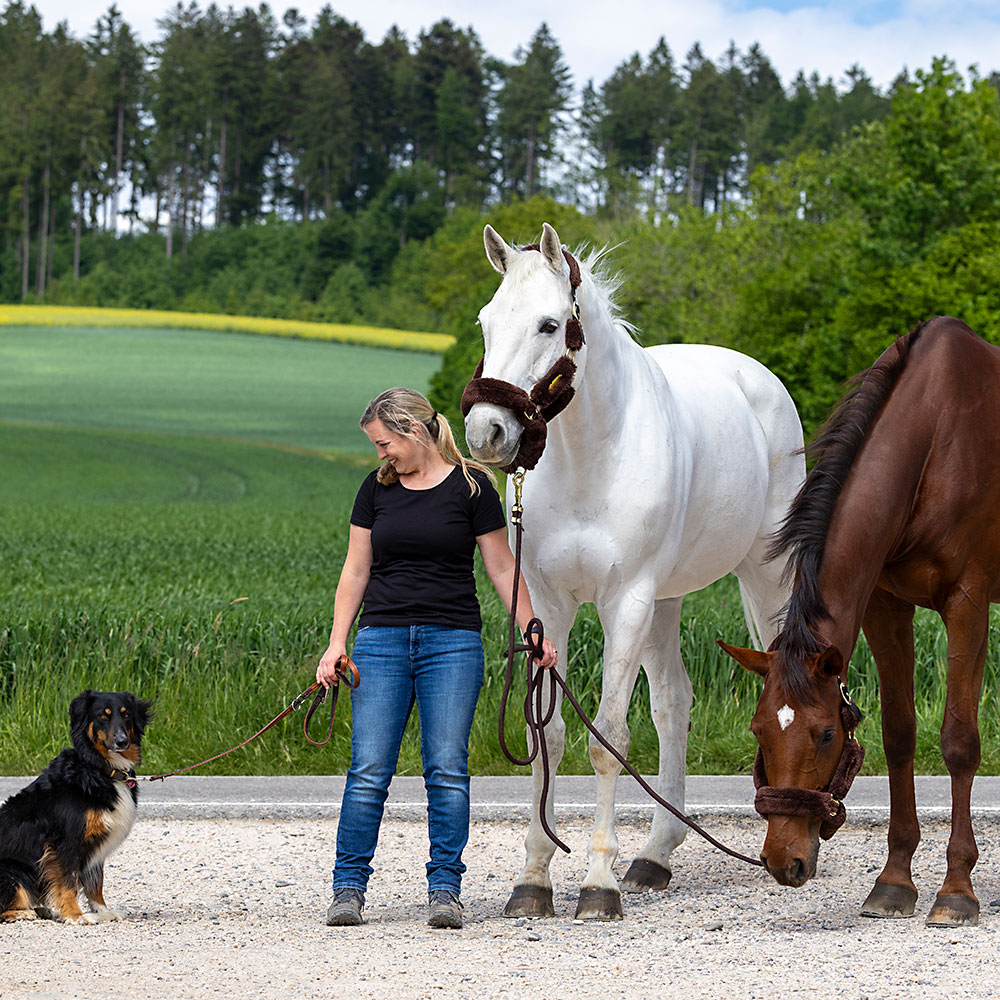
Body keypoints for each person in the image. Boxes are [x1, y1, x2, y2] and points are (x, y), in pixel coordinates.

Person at [317, 387, 557, 930]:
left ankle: (445, 889)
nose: (381, 455)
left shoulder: (473, 488)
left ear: (413, 430)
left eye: (384, 443)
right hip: (379, 642)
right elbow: (356, 570)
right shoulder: (373, 491)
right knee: (368, 770)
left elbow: (500, 567)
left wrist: (532, 628)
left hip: (452, 644)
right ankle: (348, 888)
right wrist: (337, 643)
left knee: (446, 770)